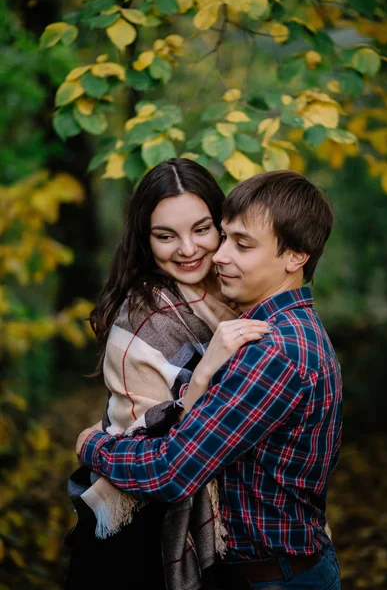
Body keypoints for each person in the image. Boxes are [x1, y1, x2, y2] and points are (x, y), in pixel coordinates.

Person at [77, 170, 343, 590]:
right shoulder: (277, 325)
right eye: (226, 236)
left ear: (295, 257)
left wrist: (94, 445)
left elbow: (172, 470)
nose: (217, 254)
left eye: (242, 244)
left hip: (275, 578)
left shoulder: (271, 350)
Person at [64, 157, 268, 590]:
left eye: (201, 229)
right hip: (138, 533)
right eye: (165, 236)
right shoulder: (143, 315)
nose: (188, 249)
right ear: (146, 239)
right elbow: (161, 460)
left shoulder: (236, 294)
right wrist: (205, 369)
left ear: (224, 226)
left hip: (232, 531)